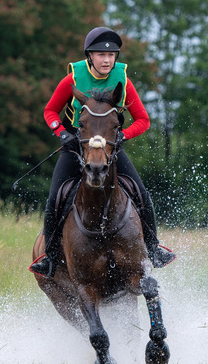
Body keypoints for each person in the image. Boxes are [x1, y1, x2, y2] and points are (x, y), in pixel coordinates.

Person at [29, 26, 176, 277]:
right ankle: (49, 258)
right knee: (54, 198)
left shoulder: (123, 81)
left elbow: (143, 120)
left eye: (111, 55)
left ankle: (153, 248)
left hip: (109, 149)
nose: (107, 60)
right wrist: (62, 134)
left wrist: (122, 136)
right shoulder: (73, 79)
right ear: (90, 57)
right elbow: (49, 111)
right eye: (100, 55)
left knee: (141, 193)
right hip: (76, 146)